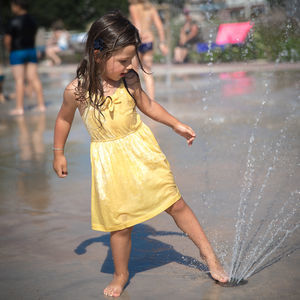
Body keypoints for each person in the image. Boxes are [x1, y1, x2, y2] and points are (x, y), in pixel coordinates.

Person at [53, 11, 228, 298]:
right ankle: (121, 275)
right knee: (120, 224)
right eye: (122, 60)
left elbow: (148, 105)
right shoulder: (77, 90)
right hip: (109, 162)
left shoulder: (129, 80)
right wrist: (58, 152)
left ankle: (210, 256)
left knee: (175, 203)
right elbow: (63, 120)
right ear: (98, 54)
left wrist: (176, 124)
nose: (128, 66)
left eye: (131, 59)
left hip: (141, 151)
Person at [4, 0, 45, 116]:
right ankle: (41, 105)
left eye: (12, 6)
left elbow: (7, 40)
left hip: (17, 51)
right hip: (31, 50)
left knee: (19, 80)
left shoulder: (13, 21)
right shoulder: (32, 20)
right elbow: (34, 35)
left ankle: (19, 108)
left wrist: (9, 51)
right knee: (34, 78)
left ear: (17, 6)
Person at [129, 0, 168, 100]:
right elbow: (159, 26)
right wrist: (162, 43)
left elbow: (137, 24)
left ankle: (135, 98)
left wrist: (137, 38)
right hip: (149, 40)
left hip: (138, 40)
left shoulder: (134, 7)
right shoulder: (151, 8)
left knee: (134, 71)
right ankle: (151, 100)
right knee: (147, 70)